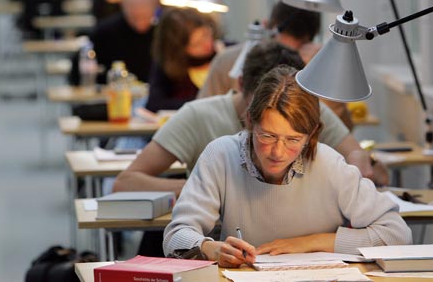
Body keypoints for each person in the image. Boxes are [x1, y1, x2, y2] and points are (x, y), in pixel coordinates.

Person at [162, 66, 411, 266]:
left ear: (312, 134)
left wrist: (313, 242)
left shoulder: (328, 164)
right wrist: (210, 248)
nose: (278, 152)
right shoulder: (221, 155)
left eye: (293, 140)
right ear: (249, 121)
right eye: (267, 136)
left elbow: (397, 235)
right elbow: (176, 236)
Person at [113, 41, 389, 197]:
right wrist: (206, 187)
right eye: (265, 128)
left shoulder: (300, 109)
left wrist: (359, 163)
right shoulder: (198, 116)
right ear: (241, 84)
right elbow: (126, 182)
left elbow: (360, 159)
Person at [197, 1, 355, 130]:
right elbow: (201, 114)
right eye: (277, 49)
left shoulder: (317, 70)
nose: (281, 59)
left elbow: (339, 132)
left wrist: (320, 74)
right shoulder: (230, 61)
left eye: (292, 54)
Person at [69, 0, 159, 86]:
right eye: (134, 16)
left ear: (155, 5)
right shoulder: (105, 33)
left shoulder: (162, 34)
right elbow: (77, 74)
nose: (139, 21)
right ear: (123, 5)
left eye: (144, 14)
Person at [144, 7, 222, 112]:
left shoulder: (225, 51)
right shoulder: (167, 64)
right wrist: (202, 102)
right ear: (178, 49)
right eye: (197, 44)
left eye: (206, 35)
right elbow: (154, 104)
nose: (207, 44)